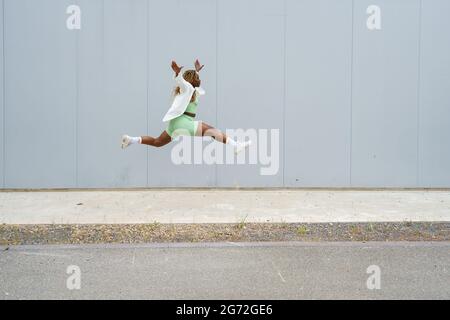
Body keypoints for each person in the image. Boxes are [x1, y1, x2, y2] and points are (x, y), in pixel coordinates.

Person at [121, 59, 251, 153]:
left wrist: (197, 71)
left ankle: (131, 140)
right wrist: (177, 73)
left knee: (157, 142)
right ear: (192, 81)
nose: (199, 80)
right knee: (212, 131)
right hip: (183, 121)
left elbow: (191, 81)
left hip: (176, 123)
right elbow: (182, 82)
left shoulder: (191, 90)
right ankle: (235, 146)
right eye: (197, 78)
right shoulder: (187, 87)